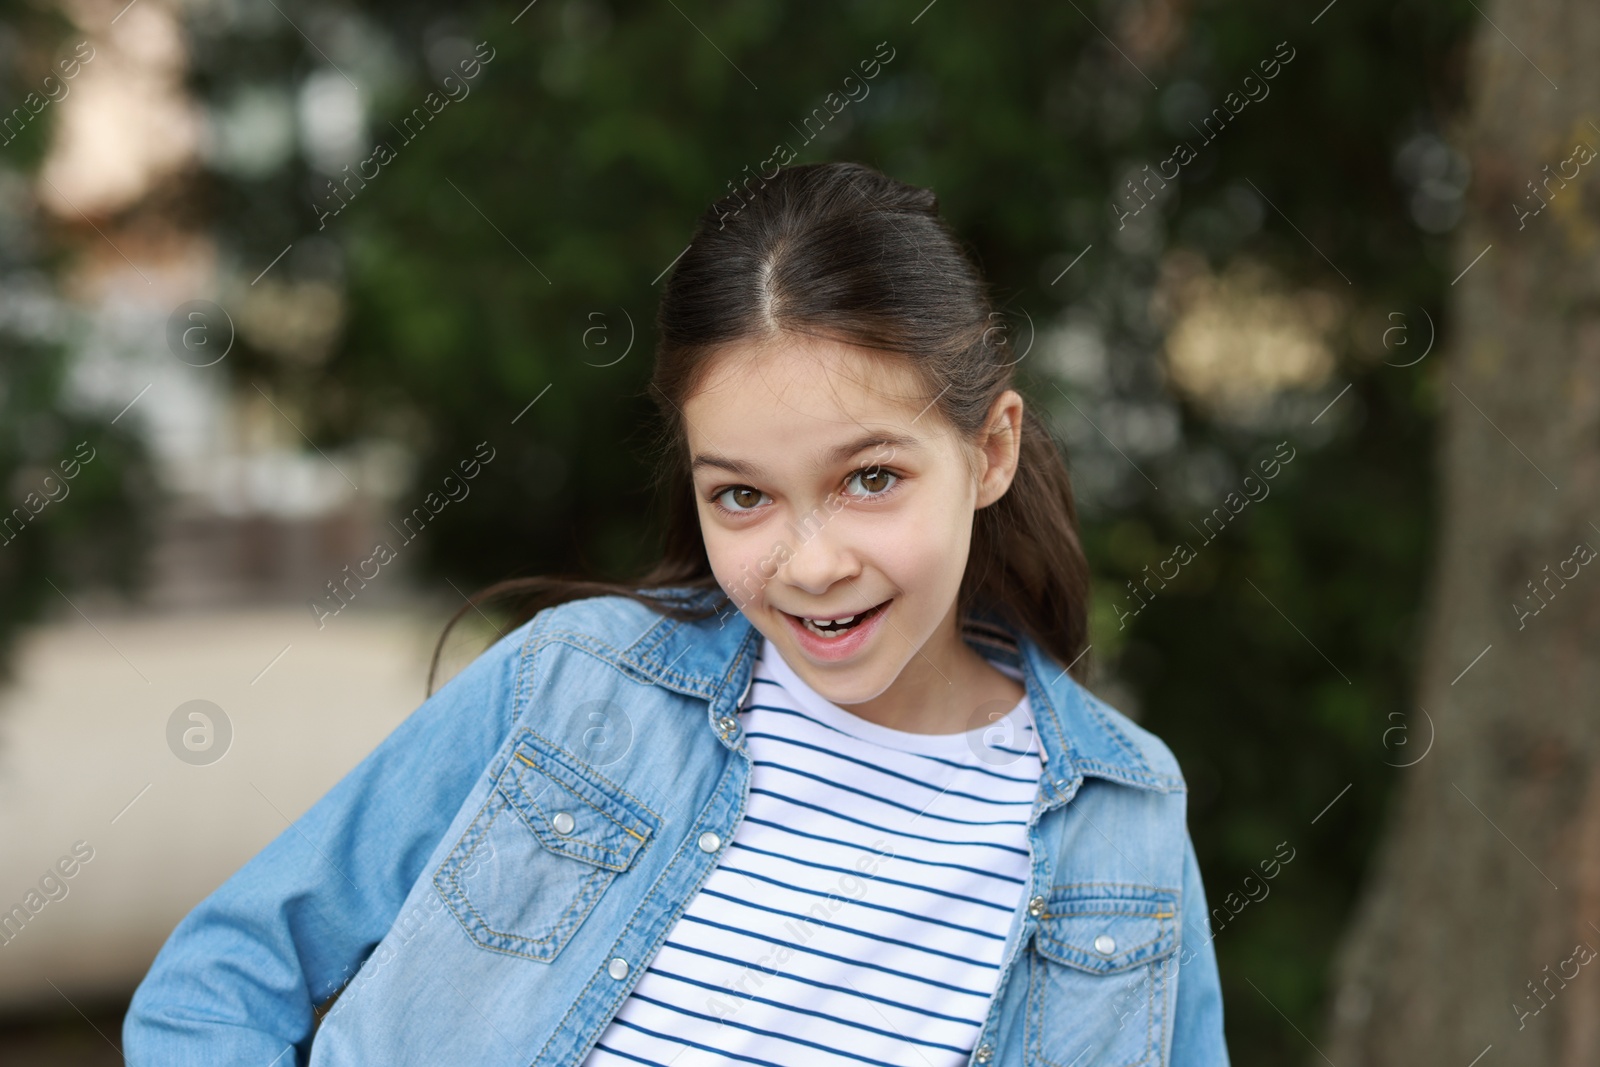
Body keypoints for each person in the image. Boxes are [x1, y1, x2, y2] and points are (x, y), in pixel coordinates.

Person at [123, 161, 1229, 1066]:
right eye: (741, 495)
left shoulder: (1120, 818)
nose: (811, 562)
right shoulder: (575, 686)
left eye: (870, 479)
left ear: (988, 450)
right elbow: (222, 980)